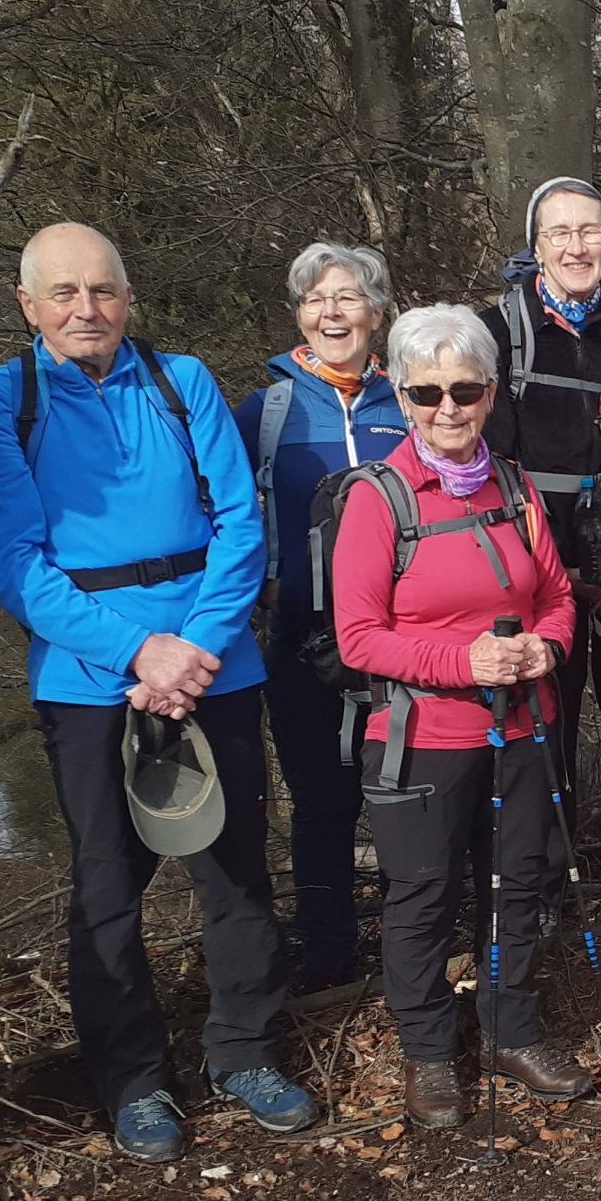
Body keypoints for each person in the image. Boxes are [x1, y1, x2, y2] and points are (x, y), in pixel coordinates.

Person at [0, 223, 314, 1163]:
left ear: (128, 297)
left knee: (236, 868)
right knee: (108, 885)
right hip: (88, 678)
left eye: (104, 290)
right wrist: (139, 654)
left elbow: (240, 524)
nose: (88, 310)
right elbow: (15, 562)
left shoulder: (182, 379)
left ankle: (245, 1049)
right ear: (29, 305)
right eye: (65, 293)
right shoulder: (3, 400)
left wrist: (192, 647)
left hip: (216, 661)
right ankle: (134, 1081)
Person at [331, 305, 592, 1129]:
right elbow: (358, 637)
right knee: (423, 896)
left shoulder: (513, 485)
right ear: (403, 398)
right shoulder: (380, 498)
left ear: (489, 393)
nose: (449, 406)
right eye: (429, 390)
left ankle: (511, 1029)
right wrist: (465, 660)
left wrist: (545, 649)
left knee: (518, 885)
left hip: (522, 726)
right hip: (423, 739)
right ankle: (431, 1052)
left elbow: (554, 595)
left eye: (466, 388)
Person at [480, 177, 601, 907]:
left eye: (588, 231)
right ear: (535, 248)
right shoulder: (500, 330)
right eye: (559, 233)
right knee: (545, 728)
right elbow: (490, 466)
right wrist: (549, 569)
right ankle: (547, 885)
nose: (575, 246)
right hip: (540, 568)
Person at [233, 242, 407, 986]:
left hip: (404, 639)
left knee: (408, 796)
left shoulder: (411, 400)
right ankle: (330, 954)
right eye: (315, 299)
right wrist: (261, 584)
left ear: (377, 311)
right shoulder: (264, 409)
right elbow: (227, 513)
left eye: (347, 297)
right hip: (304, 637)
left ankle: (412, 949)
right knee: (320, 803)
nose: (331, 312)